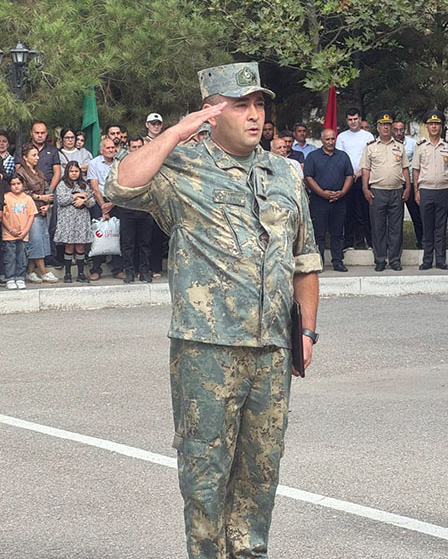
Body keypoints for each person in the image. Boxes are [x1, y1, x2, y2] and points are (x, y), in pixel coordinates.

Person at [105, 61, 321, 559]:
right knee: (205, 473)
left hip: (272, 348)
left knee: (261, 470)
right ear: (212, 111)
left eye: (259, 104)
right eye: (241, 105)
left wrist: (307, 332)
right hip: (207, 349)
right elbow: (120, 185)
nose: (255, 115)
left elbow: (305, 261)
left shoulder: (285, 173)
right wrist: (177, 132)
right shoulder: (181, 168)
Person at [360, 112, 410, 272]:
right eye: (383, 125)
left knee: (396, 228)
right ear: (378, 127)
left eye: (388, 125)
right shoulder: (370, 147)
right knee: (378, 228)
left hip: (396, 191)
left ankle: (395, 260)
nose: (386, 128)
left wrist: (408, 187)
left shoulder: (399, 146)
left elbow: (405, 168)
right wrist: (365, 188)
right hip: (377, 192)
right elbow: (366, 169)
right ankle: (380, 260)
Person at [303, 128, 353, 272]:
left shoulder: (343, 156)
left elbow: (349, 175)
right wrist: (322, 193)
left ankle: (338, 262)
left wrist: (342, 192)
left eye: (333, 139)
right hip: (319, 201)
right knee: (319, 234)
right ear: (322, 141)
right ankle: (318, 262)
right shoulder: (313, 156)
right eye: (327, 139)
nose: (331, 142)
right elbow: (308, 177)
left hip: (339, 200)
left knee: (338, 233)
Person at [413, 110, 448, 270]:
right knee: (427, 227)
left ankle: (440, 260)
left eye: (437, 124)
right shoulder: (420, 147)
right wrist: (416, 191)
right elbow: (416, 170)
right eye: (431, 124)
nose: (434, 127)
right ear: (427, 126)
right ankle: (427, 260)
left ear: (441, 126)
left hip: (443, 191)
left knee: (440, 227)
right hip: (426, 190)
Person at [18, 143, 59, 283]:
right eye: (33, 155)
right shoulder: (21, 172)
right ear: (25, 157)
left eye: (37, 155)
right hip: (30, 212)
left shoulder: (39, 173)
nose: (37, 158)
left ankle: (30, 272)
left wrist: (47, 204)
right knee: (36, 241)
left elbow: (47, 189)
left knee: (42, 239)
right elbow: (22, 192)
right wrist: (40, 197)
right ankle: (43, 271)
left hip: (42, 211)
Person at [116, 137, 155, 283]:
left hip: (145, 208)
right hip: (127, 208)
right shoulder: (123, 164)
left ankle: (144, 271)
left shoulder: (151, 163)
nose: (137, 150)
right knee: (127, 243)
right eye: (134, 147)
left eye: (140, 147)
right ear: (129, 148)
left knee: (145, 243)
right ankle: (129, 272)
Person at [336, 107, 375, 250]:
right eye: (350, 119)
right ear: (347, 121)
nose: (353, 122)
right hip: (347, 179)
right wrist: (349, 174)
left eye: (355, 119)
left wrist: (360, 172)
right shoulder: (341, 137)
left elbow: (371, 157)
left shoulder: (368, 136)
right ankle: (348, 242)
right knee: (348, 212)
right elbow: (340, 157)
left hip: (364, 178)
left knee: (364, 211)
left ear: (360, 119)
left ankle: (366, 242)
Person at [86, 137, 124, 280]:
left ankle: (118, 269)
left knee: (117, 234)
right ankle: (96, 269)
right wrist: (103, 207)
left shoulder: (120, 163)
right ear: (101, 150)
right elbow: (94, 187)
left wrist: (112, 203)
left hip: (116, 201)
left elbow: (123, 184)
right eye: (108, 148)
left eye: (113, 147)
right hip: (99, 201)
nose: (111, 150)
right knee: (99, 234)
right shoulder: (94, 163)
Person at [54, 161, 96, 283]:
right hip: (67, 220)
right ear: (67, 172)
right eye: (71, 171)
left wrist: (84, 201)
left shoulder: (84, 185)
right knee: (69, 245)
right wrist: (76, 195)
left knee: (80, 246)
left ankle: (81, 273)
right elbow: (61, 200)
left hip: (81, 219)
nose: (74, 173)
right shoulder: (62, 184)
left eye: (76, 171)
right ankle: (67, 274)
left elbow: (92, 201)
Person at [2, 175, 37, 290]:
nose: (16, 186)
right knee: (10, 257)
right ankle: (10, 278)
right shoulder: (5, 198)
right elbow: (2, 216)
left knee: (22, 257)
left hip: (23, 235)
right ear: (9, 186)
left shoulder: (28, 199)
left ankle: (20, 278)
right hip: (9, 235)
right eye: (13, 184)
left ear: (23, 184)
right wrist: (10, 229)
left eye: (18, 184)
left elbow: (31, 216)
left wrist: (25, 231)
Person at [393, 120, 422, 247]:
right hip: (395, 184)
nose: (399, 133)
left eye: (401, 130)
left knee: (416, 215)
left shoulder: (412, 144)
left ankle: (421, 241)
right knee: (394, 217)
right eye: (396, 130)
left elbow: (418, 164)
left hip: (410, 182)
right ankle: (395, 244)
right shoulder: (388, 144)